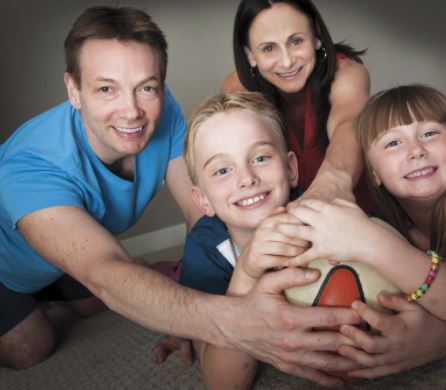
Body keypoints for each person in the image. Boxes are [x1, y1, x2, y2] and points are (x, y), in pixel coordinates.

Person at [0, 6, 361, 385]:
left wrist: (190, 303)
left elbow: (200, 217)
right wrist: (225, 322)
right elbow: (104, 272)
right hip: (10, 268)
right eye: (106, 88)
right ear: (73, 89)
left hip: (77, 242)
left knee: (92, 308)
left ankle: (74, 286)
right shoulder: (29, 167)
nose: (132, 111)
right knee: (31, 347)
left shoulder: (163, 111)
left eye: (147, 87)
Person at [179, 91, 357, 389]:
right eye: (223, 170)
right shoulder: (206, 249)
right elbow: (222, 383)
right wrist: (246, 272)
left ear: (290, 169)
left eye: (260, 157)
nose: (246, 178)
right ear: (203, 200)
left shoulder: (321, 214)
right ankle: (173, 280)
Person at [288, 84, 446, 378]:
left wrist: (374, 244)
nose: (416, 151)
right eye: (392, 143)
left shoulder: (377, 236)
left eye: (429, 133)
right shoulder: (392, 226)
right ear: (374, 174)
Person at [222, 0, 371, 211]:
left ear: (316, 36)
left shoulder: (348, 73)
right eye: (269, 48)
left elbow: (349, 122)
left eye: (296, 41)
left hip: (356, 213)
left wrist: (332, 182)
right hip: (285, 219)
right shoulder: (237, 88)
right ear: (250, 55)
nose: (287, 62)